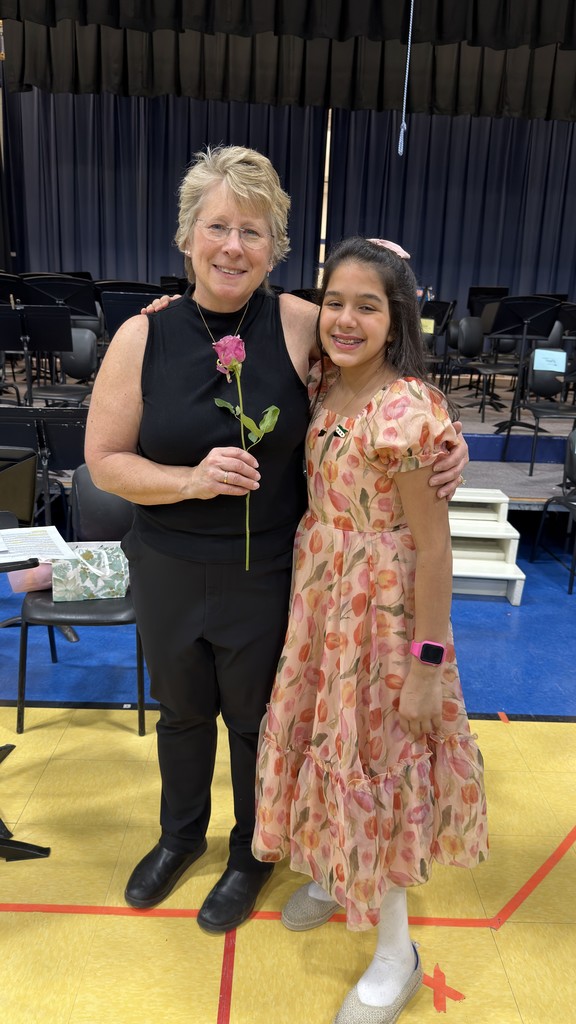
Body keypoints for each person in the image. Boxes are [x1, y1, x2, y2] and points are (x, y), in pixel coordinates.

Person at [84, 145, 469, 935]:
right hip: (166, 561)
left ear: (274, 247)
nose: (233, 245)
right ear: (188, 235)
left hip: (267, 572)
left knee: (262, 722)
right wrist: (187, 480)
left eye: (252, 231)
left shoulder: (301, 321)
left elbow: (382, 374)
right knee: (182, 713)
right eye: (218, 226)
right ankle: (178, 836)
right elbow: (104, 462)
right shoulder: (141, 336)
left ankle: (251, 853)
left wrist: (447, 437)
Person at [251, 237, 488, 1023]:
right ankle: (330, 866)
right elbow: (271, 306)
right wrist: (162, 309)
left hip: (383, 623)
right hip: (322, 602)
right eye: (336, 302)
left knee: (375, 759)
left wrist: (426, 664)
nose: (346, 319)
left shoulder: (406, 410)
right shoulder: (326, 381)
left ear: (398, 318)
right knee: (325, 738)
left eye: (369, 305)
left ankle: (397, 951)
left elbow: (434, 545)